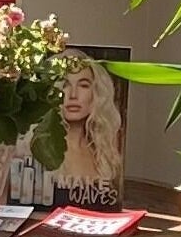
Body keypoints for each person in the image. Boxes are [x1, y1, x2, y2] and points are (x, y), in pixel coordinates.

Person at [50, 51, 125, 209]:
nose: (73, 95)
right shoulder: (31, 153)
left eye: (83, 85)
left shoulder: (106, 154)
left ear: (96, 94)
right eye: (64, 85)